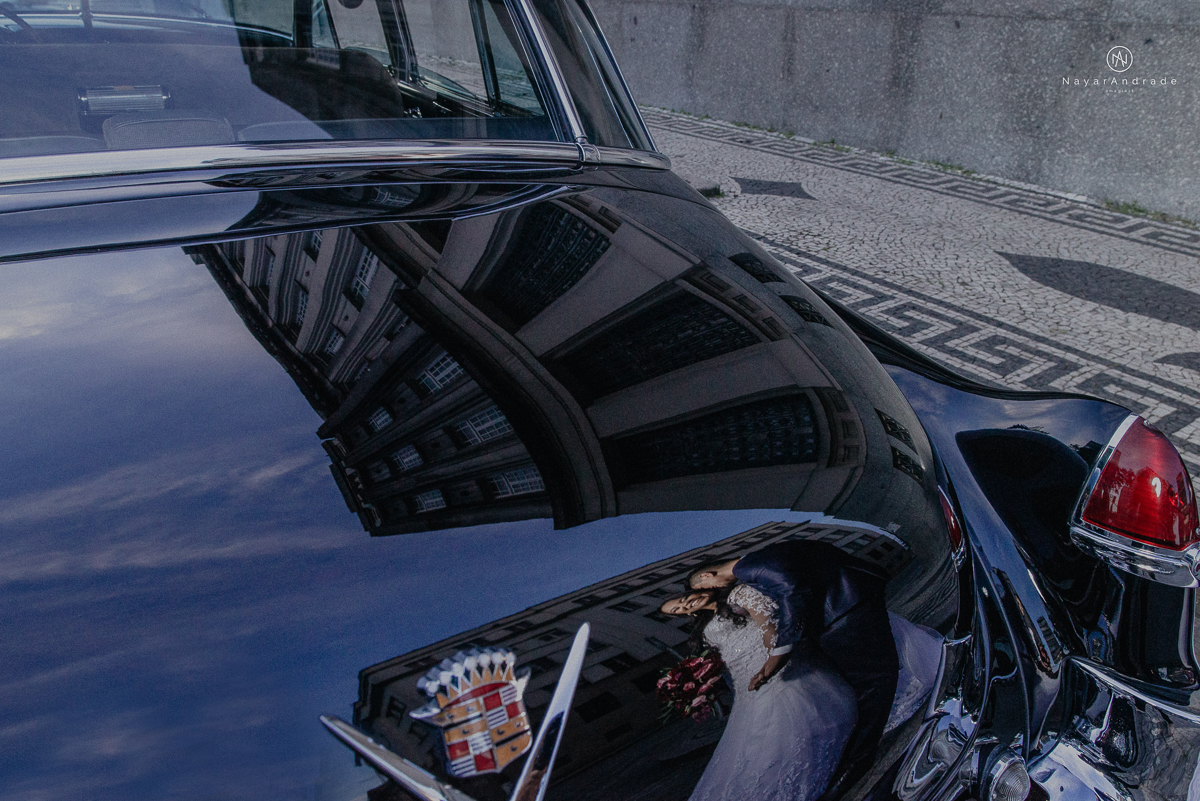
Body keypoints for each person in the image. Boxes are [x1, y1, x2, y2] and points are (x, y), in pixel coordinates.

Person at [688, 541, 900, 791]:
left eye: (703, 587)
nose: (710, 590)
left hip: (844, 605)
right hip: (845, 604)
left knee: (874, 682)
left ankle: (858, 760)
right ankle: (857, 759)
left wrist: (781, 650)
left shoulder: (750, 566)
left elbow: (792, 591)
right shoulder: (760, 559)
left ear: (705, 576)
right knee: (874, 680)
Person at [660, 588, 858, 801]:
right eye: (678, 609)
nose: (686, 604)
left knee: (790, 718)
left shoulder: (738, 596)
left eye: (682, 599)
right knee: (755, 740)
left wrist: (770, 664)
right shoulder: (702, 630)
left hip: (774, 664)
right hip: (745, 681)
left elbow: (771, 625)